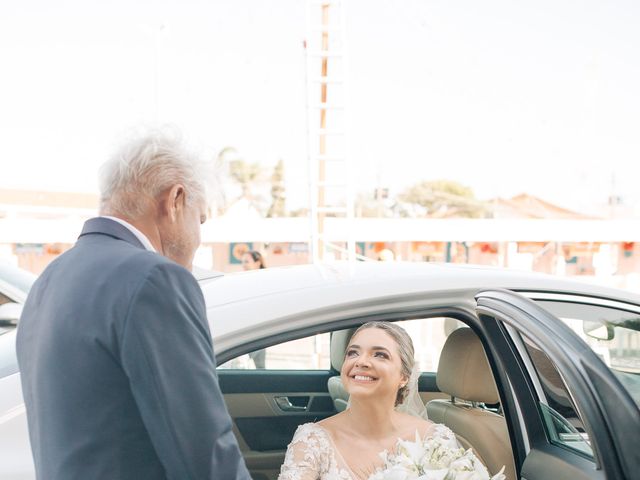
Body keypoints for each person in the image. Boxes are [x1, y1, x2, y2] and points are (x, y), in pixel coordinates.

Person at [16, 127, 251, 480]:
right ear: (175, 200)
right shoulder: (154, 279)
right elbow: (203, 453)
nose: (199, 239)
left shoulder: (49, 279)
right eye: (199, 218)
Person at [278, 322, 473, 480]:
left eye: (380, 354)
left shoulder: (435, 440)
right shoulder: (312, 441)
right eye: (353, 353)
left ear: (404, 376)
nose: (361, 361)